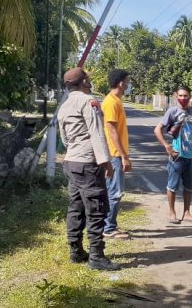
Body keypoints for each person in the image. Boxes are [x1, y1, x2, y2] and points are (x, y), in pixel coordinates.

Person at [56, 67, 119, 271]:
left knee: (76, 207)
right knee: (96, 209)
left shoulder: (64, 106)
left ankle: (76, 251)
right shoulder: (88, 101)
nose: (90, 81)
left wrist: (74, 150)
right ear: (83, 82)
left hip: (71, 161)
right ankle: (97, 257)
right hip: (88, 164)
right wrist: (106, 161)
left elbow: (64, 138)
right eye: (88, 78)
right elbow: (97, 133)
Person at [154, 85, 192, 225]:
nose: (183, 98)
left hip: (191, 155)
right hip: (176, 155)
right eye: (180, 96)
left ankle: (186, 213)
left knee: (189, 186)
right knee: (172, 186)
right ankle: (172, 212)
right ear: (176, 96)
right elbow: (157, 130)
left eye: (186, 96)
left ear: (190, 96)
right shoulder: (172, 111)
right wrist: (167, 146)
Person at [100, 69, 133, 239]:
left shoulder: (115, 101)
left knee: (113, 191)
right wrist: (123, 155)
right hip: (114, 155)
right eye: (128, 81)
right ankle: (108, 228)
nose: (129, 84)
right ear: (121, 83)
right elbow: (112, 131)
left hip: (115, 154)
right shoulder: (111, 102)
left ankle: (110, 225)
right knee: (115, 192)